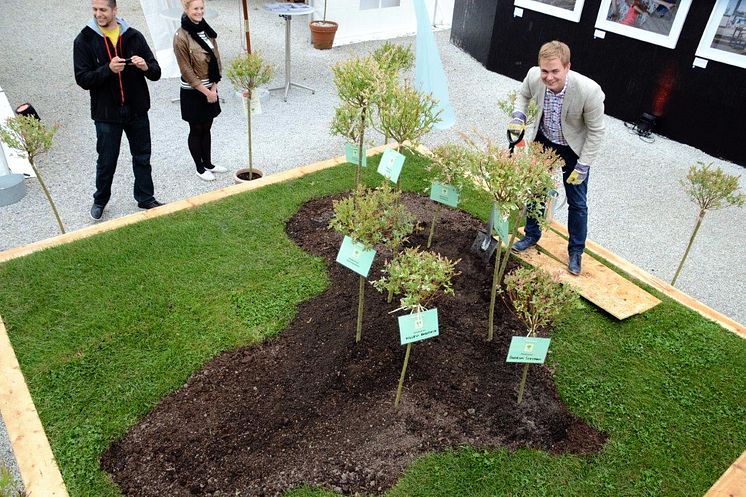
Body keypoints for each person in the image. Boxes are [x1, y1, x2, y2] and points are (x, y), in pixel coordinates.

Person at [509, 40, 606, 276]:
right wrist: (519, 115)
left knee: (578, 202)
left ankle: (575, 252)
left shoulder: (589, 91)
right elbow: (523, 94)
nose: (549, 77)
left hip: (573, 150)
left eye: (555, 71)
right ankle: (531, 234)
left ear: (567, 67)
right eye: (545, 71)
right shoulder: (534, 76)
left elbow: (596, 131)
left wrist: (583, 166)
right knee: (536, 191)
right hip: (544, 141)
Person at [74, 0, 164, 220]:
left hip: (137, 110)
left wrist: (145, 66)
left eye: (103, 10)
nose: (98, 14)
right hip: (106, 115)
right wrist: (108, 69)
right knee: (106, 160)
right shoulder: (84, 40)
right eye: (95, 10)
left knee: (142, 156)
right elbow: (82, 79)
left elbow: (156, 72)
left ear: (115, 10)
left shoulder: (134, 36)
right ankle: (100, 201)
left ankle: (145, 198)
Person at [173, 0, 228, 181]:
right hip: (193, 90)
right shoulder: (180, 36)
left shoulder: (206, 30)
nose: (199, 12)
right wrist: (207, 92)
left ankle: (209, 163)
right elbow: (186, 70)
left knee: (208, 126)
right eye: (195, 8)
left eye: (201, 8)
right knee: (196, 128)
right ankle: (199, 167)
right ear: (186, 9)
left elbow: (217, 58)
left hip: (210, 87)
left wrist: (215, 85)